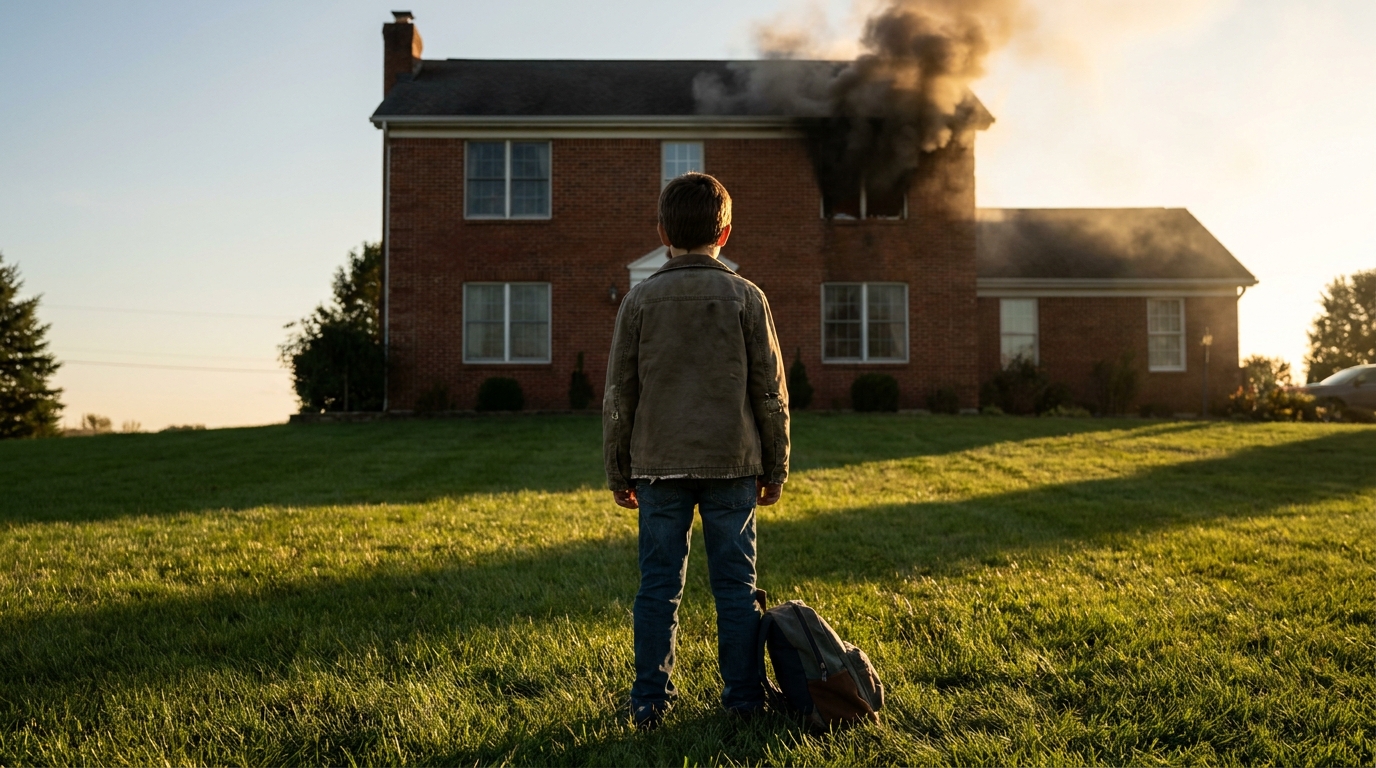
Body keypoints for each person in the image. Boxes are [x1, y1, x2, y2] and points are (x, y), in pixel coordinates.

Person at [603, 172, 790, 730]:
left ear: (663, 232)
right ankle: (743, 700)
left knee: (659, 588)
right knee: (736, 588)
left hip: (657, 465)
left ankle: (649, 703)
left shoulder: (638, 301)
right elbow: (770, 391)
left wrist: (618, 469)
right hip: (733, 463)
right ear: (725, 232)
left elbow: (620, 393)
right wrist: (776, 465)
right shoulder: (747, 297)